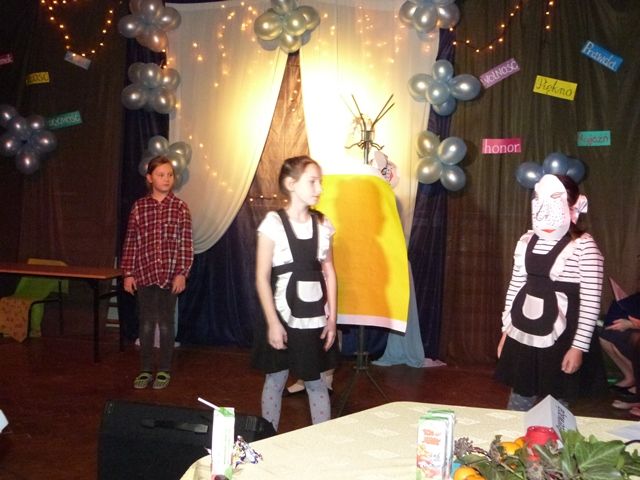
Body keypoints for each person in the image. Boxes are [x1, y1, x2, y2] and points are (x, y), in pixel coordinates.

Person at [495, 174, 604, 411]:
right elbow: (515, 286)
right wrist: (506, 332)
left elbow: (591, 301)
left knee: (557, 405)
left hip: (563, 337)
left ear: (572, 204)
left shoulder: (584, 245)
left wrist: (578, 347)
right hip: (525, 330)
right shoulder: (526, 240)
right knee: (519, 399)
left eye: (555, 198)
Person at [252, 155, 339, 431]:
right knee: (275, 379)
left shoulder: (323, 224)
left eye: (320, 182)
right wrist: (273, 323)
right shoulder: (273, 224)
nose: (319, 188)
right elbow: (261, 277)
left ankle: (322, 442)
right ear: (291, 184)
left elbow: (330, 272)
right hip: (282, 316)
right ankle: (268, 439)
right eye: (312, 182)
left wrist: (332, 319)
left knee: (316, 381)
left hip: (313, 319)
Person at [121, 156, 193, 390]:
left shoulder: (180, 207)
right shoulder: (139, 207)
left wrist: (182, 273)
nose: (166, 179)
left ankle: (164, 369)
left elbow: (186, 244)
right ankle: (145, 368)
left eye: (170, 175)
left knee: (165, 323)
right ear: (150, 178)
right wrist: (128, 273)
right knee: (146, 323)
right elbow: (131, 241)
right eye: (161, 175)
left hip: (170, 275)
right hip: (144, 273)